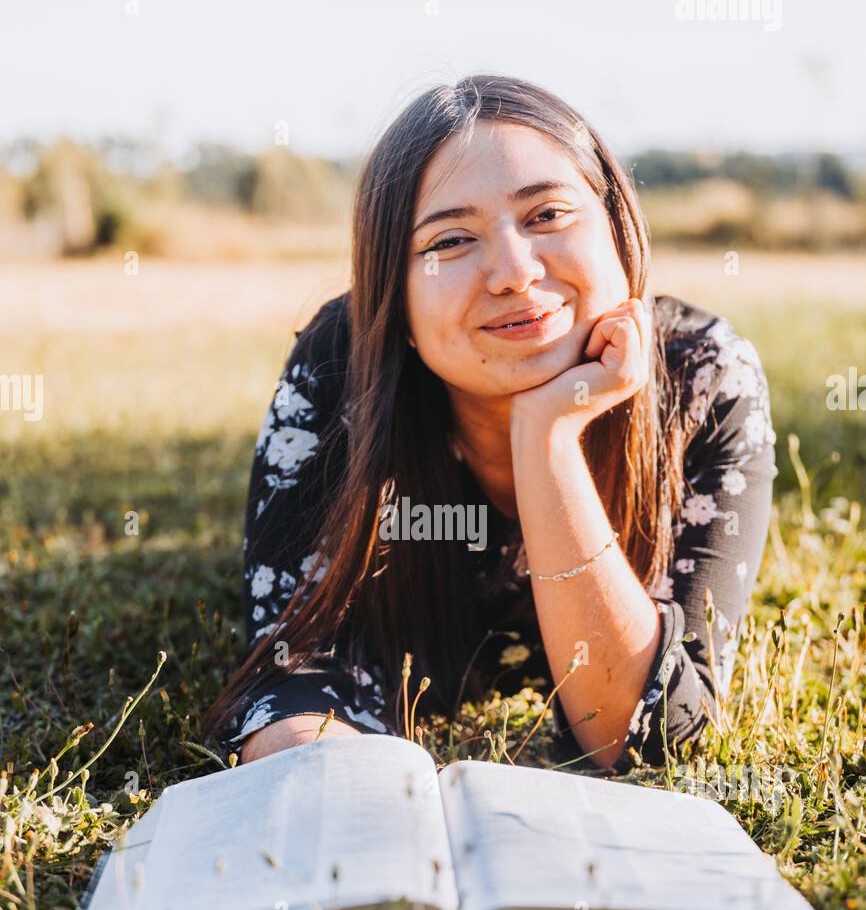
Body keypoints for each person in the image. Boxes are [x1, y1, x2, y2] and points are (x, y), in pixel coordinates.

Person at [202, 75, 776, 774]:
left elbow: (643, 734)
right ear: (395, 295)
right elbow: (293, 675)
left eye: (547, 216)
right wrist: (341, 795)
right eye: (450, 239)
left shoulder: (704, 377)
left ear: (620, 235)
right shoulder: (341, 369)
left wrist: (546, 433)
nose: (512, 271)